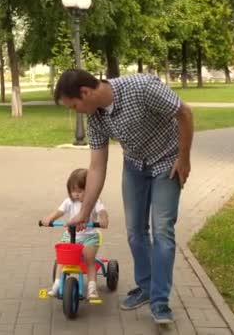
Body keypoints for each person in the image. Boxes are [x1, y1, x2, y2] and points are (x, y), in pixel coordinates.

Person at [54, 69, 193, 324]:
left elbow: (183, 112)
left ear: (85, 93)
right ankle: (146, 287)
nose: (76, 112)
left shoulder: (141, 87)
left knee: (162, 230)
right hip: (135, 167)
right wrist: (84, 213)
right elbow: (97, 167)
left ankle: (160, 302)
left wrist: (183, 158)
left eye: (74, 106)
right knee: (135, 231)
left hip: (167, 163)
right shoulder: (96, 119)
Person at [40, 168, 109, 299]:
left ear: (89, 189)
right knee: (62, 259)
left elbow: (102, 212)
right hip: (70, 236)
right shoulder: (69, 201)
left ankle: (92, 288)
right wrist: (49, 219)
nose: (76, 194)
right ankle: (56, 285)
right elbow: (59, 212)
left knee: (89, 260)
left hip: (89, 237)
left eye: (80, 191)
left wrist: (104, 219)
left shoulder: (94, 201)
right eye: (73, 191)